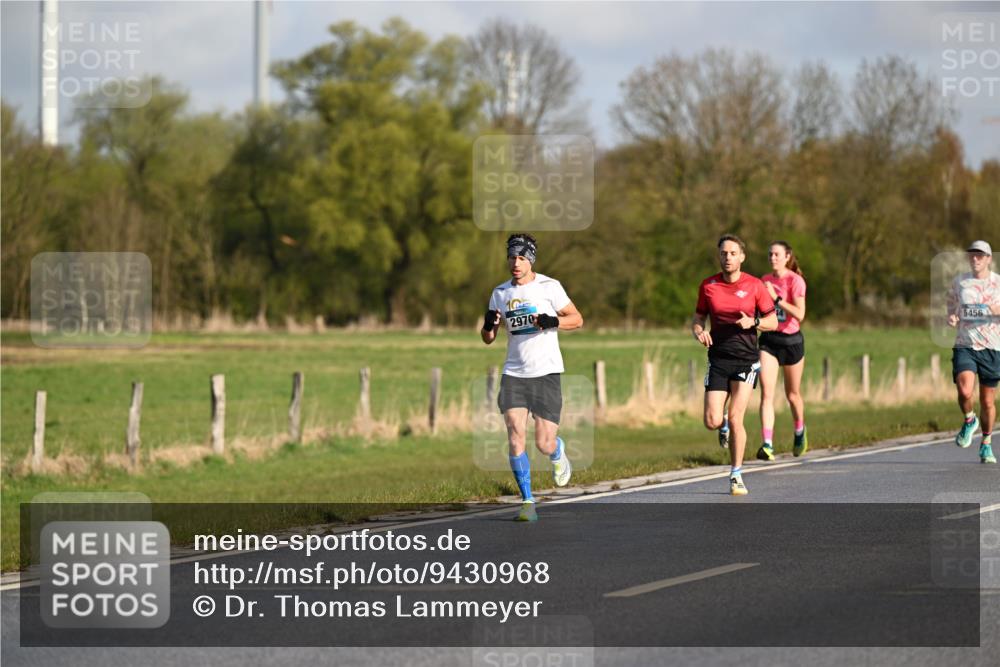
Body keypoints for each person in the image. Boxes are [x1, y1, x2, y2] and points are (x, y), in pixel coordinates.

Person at [482, 233, 584, 520]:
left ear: (531, 261)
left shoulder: (550, 287)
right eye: (512, 257)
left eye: (522, 258)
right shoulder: (500, 293)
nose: (515, 263)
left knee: (543, 442)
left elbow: (577, 319)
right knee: (515, 434)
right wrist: (489, 325)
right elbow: (488, 338)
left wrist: (554, 321)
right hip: (514, 372)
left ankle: (557, 451)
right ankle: (528, 502)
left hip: (546, 372)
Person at [692, 235, 778, 495]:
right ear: (719, 256)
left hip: (746, 360)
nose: (727, 257)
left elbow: (772, 322)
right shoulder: (709, 286)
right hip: (718, 358)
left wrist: (753, 322)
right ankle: (723, 424)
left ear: (742, 256)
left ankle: (736, 474)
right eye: (723, 253)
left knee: (738, 417)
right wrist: (699, 331)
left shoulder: (755, 286)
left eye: (732, 253)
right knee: (711, 420)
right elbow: (698, 317)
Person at [947, 240, 999, 464]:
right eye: (972, 255)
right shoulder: (960, 282)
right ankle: (969, 419)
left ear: (988, 258)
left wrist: (992, 310)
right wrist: (952, 316)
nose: (975, 259)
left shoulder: (998, 283)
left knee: (987, 402)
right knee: (965, 390)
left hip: (992, 347)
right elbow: (952, 306)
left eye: (980, 256)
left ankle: (986, 443)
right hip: (965, 344)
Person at [756, 241, 809, 461]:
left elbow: (800, 314)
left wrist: (777, 298)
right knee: (767, 393)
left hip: (792, 342)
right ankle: (767, 444)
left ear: (787, 256)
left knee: (792, 395)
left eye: (777, 254)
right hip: (769, 340)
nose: (772, 258)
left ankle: (799, 431)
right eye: (770, 254)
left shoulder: (795, 281)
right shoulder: (764, 280)